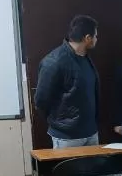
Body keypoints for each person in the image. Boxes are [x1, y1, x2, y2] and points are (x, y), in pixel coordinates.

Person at [35, 15, 100, 148]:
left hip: (91, 132)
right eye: (95, 36)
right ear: (87, 38)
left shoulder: (85, 58)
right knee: (68, 163)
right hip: (66, 137)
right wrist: (60, 122)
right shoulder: (54, 61)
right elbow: (41, 101)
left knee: (96, 162)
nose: (96, 39)